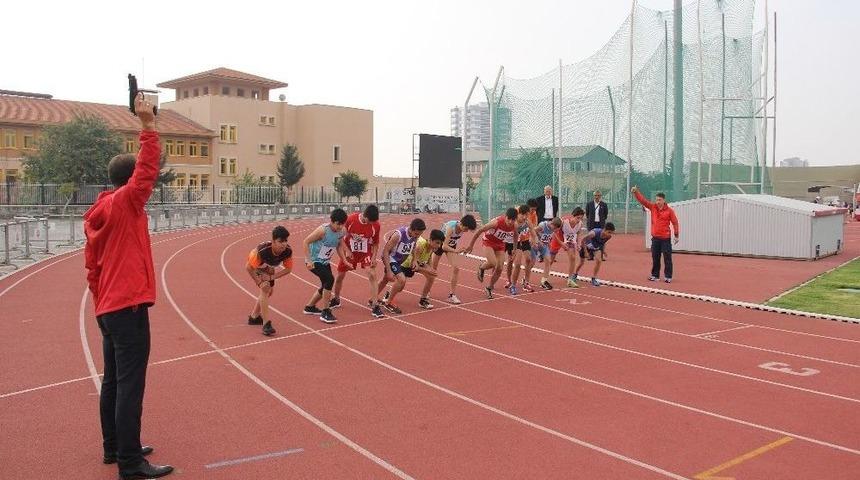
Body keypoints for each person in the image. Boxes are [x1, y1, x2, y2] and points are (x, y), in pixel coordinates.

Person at [83, 94, 174, 479]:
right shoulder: (125, 203)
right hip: (127, 305)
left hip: (107, 306)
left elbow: (91, 268)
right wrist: (148, 125)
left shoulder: (102, 208)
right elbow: (149, 169)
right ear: (131, 180)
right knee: (130, 384)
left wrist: (101, 298)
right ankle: (131, 463)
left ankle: (115, 448)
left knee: (114, 380)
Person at [330, 205, 384, 319]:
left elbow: (375, 243)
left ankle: (375, 305)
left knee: (372, 275)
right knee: (340, 276)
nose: (371, 224)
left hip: (365, 252)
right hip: (351, 252)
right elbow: (340, 237)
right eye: (369, 222)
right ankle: (336, 299)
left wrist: (374, 257)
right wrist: (347, 251)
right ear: (365, 216)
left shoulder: (376, 225)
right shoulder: (350, 220)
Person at [303, 208, 350, 323]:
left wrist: (344, 260)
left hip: (325, 261)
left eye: (342, 224)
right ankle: (325, 311)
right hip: (314, 261)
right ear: (331, 221)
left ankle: (310, 307)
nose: (340, 227)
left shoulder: (342, 231)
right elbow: (306, 241)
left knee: (326, 283)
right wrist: (309, 261)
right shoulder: (322, 230)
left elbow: (338, 244)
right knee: (329, 279)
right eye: (338, 224)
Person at [245, 226, 294, 336]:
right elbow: (248, 267)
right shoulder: (262, 251)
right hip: (256, 266)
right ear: (273, 241)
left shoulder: (287, 251)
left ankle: (254, 317)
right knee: (265, 288)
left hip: (269, 267)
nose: (283, 244)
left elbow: (288, 269)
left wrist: (272, 277)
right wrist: (260, 282)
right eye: (280, 241)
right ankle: (266, 324)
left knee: (269, 292)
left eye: (285, 241)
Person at [464, 207, 521, 299]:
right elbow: (479, 231)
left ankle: (489, 287)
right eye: (509, 219)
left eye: (513, 220)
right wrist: (471, 245)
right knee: (493, 263)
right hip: (488, 242)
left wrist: (514, 249)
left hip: (500, 244)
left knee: (500, 267)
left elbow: (515, 236)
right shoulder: (496, 223)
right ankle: (482, 267)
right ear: (505, 217)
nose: (510, 222)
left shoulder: (514, 225)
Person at [383, 229, 445, 310]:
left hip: (416, 265)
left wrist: (431, 270)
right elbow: (414, 266)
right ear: (430, 240)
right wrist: (428, 270)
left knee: (431, 276)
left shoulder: (432, 248)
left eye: (440, 243)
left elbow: (429, 262)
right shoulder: (421, 246)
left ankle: (423, 299)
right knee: (400, 286)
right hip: (406, 265)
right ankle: (389, 295)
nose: (439, 246)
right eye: (437, 243)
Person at [378, 218, 426, 314]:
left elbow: (414, 247)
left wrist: (414, 260)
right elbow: (385, 252)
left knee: (385, 280)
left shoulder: (415, 235)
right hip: (391, 258)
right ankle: (388, 302)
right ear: (411, 229)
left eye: (419, 234)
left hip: (399, 260)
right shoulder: (398, 235)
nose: (417, 236)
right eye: (417, 234)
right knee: (401, 279)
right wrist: (389, 270)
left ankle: (372, 298)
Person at [632, 186, 680, 283]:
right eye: (657, 200)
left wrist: (676, 235)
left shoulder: (669, 211)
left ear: (664, 200)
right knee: (655, 257)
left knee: (667, 258)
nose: (657, 202)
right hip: (655, 238)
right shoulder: (653, 207)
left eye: (659, 200)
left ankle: (668, 276)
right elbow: (643, 201)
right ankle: (655, 275)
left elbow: (675, 222)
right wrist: (636, 192)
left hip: (665, 238)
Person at [431, 214, 478, 304]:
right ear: (462, 224)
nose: (466, 231)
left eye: (468, 229)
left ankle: (452, 295)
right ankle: (427, 292)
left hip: (451, 246)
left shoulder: (463, 226)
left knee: (456, 268)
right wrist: (456, 251)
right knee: (433, 270)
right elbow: (444, 246)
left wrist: (467, 247)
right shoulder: (450, 228)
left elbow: (477, 228)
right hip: (440, 245)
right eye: (466, 229)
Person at [548, 207, 586, 288]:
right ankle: (545, 277)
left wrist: (578, 244)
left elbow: (579, 233)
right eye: (577, 218)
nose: (578, 220)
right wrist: (561, 243)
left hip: (569, 240)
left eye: (581, 218)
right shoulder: (563, 221)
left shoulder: (580, 224)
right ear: (573, 216)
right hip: (558, 238)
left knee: (573, 257)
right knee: (551, 259)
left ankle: (570, 279)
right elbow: (554, 232)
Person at [532, 217, 562, 290]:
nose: (554, 230)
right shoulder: (542, 225)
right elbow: (532, 231)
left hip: (544, 246)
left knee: (548, 261)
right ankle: (525, 279)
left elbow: (549, 236)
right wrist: (538, 241)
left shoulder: (553, 229)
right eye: (554, 228)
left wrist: (548, 243)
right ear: (551, 223)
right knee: (531, 263)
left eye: (555, 229)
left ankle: (544, 281)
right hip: (536, 244)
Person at [585, 191, 609, 260]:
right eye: (595, 195)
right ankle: (591, 255)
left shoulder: (604, 205)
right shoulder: (589, 204)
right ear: (593, 196)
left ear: (600, 196)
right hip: (592, 224)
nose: (597, 197)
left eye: (598, 195)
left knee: (601, 239)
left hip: (600, 224)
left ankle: (601, 255)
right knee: (590, 240)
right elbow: (587, 214)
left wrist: (601, 220)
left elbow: (605, 214)